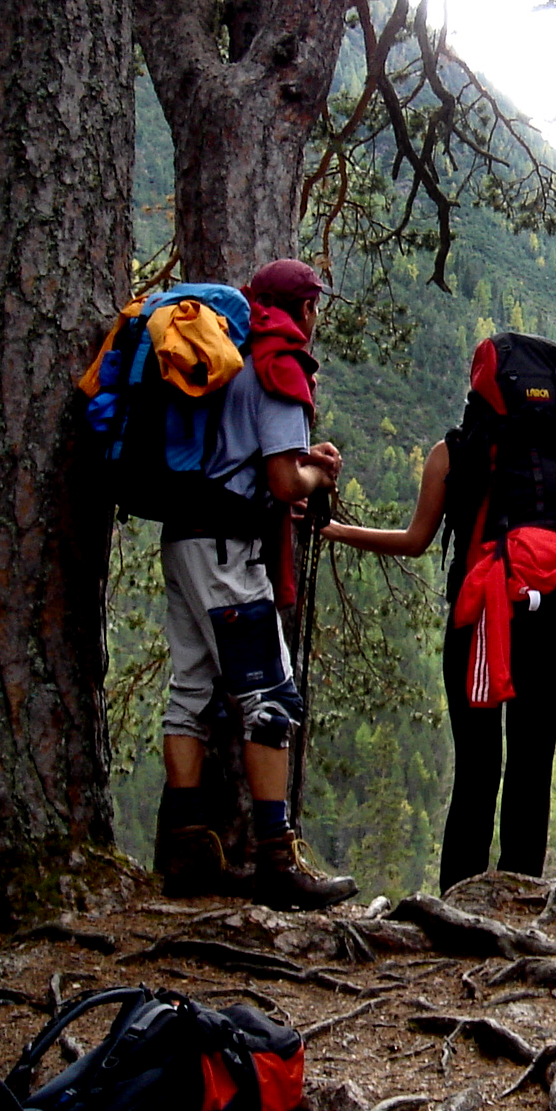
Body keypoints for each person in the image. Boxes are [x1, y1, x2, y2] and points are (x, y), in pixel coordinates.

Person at [323, 333, 556, 891]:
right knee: (532, 773)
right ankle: (521, 906)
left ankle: (457, 906)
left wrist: (337, 530)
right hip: (554, 622)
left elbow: (416, 540)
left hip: (482, 623)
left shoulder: (454, 452)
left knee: (478, 772)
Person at [156, 257, 360, 912]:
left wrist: (299, 465)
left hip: (183, 536)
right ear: (302, 310)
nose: (315, 316)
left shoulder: (228, 353)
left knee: (189, 690)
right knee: (271, 698)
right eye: (314, 306)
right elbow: (279, 481)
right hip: (229, 551)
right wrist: (316, 478)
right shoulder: (280, 365)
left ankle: (187, 843)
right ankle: (277, 857)